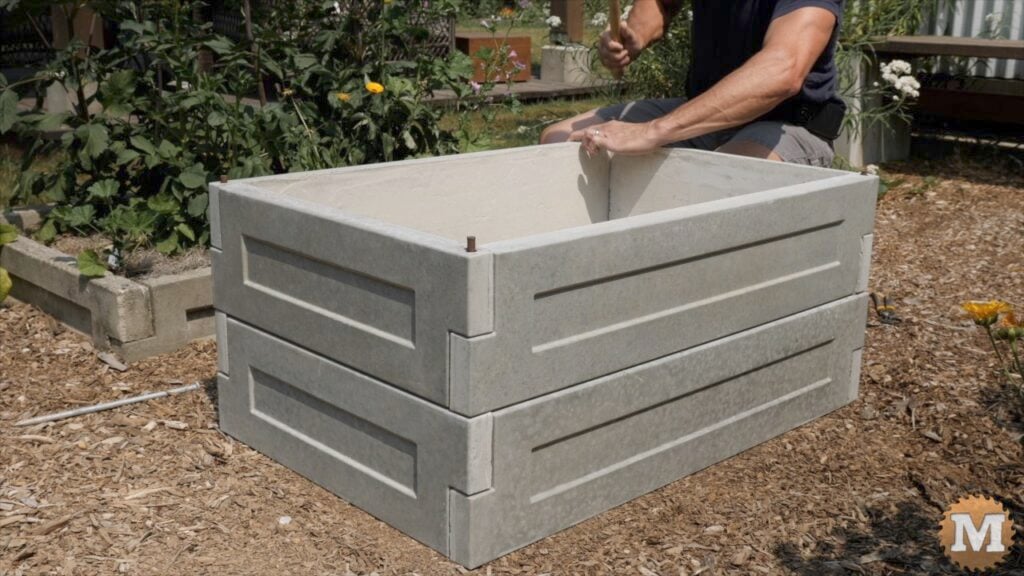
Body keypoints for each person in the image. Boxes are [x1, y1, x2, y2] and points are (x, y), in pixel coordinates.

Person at [540, 0, 845, 167]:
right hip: (704, 116)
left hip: (787, 123)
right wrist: (633, 37)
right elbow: (661, 4)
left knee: (722, 177)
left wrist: (652, 131)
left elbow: (783, 69)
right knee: (559, 142)